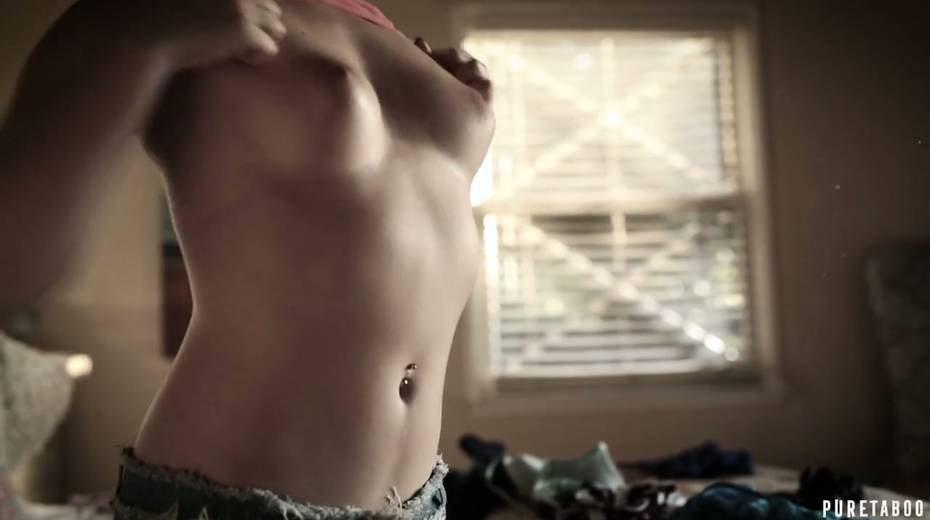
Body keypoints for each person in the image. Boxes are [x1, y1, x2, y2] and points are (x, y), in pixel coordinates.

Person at [0, 0, 495, 517]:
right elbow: (8, 270)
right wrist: (142, 35)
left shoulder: (381, 28)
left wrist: (462, 108)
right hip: (236, 501)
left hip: (420, 502)